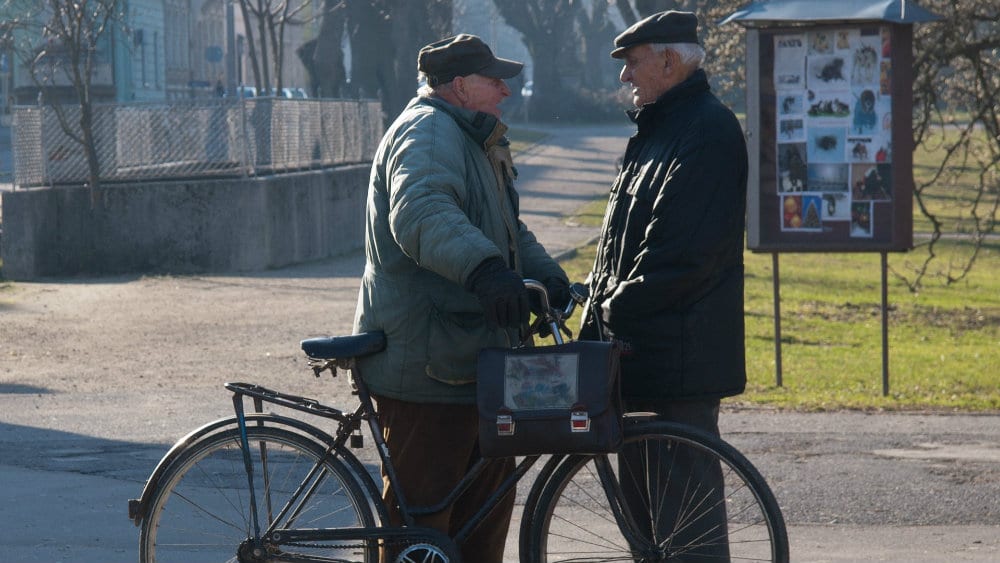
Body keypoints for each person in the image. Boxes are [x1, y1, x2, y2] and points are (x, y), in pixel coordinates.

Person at [352, 33, 569, 562]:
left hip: (472, 364)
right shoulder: (428, 132)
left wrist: (548, 278)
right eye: (494, 80)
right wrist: (486, 272)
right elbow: (421, 213)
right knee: (421, 531)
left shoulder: (472, 137)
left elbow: (507, 229)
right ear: (458, 85)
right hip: (428, 369)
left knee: (480, 524)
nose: (505, 90)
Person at [581, 10, 748, 560]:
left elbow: (680, 256)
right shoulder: (659, 130)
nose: (624, 75)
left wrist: (608, 309)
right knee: (648, 533)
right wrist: (591, 300)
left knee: (686, 535)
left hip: (678, 366)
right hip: (642, 360)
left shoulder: (707, 131)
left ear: (669, 61)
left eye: (633, 62)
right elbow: (621, 245)